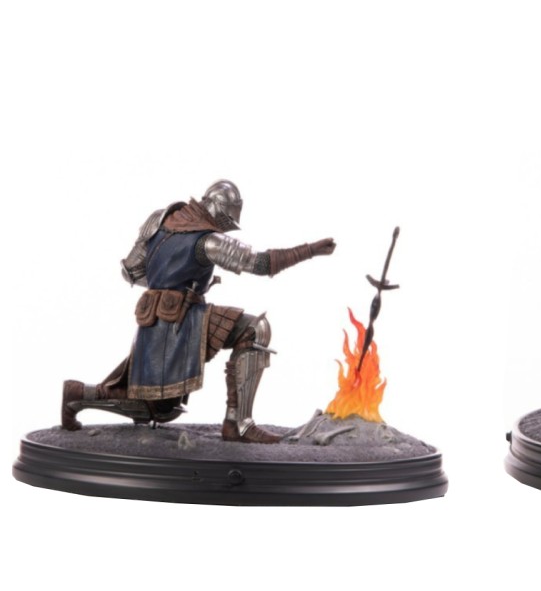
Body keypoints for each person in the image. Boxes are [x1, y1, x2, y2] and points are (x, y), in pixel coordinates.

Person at [62, 180, 336, 442]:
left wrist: (163, 286)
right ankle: (238, 424)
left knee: (155, 404)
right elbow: (261, 263)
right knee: (255, 330)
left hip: (156, 319)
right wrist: (310, 250)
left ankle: (77, 393)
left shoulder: (160, 219)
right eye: (227, 219)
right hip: (181, 321)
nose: (225, 226)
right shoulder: (208, 241)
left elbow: (130, 271)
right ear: (217, 208)